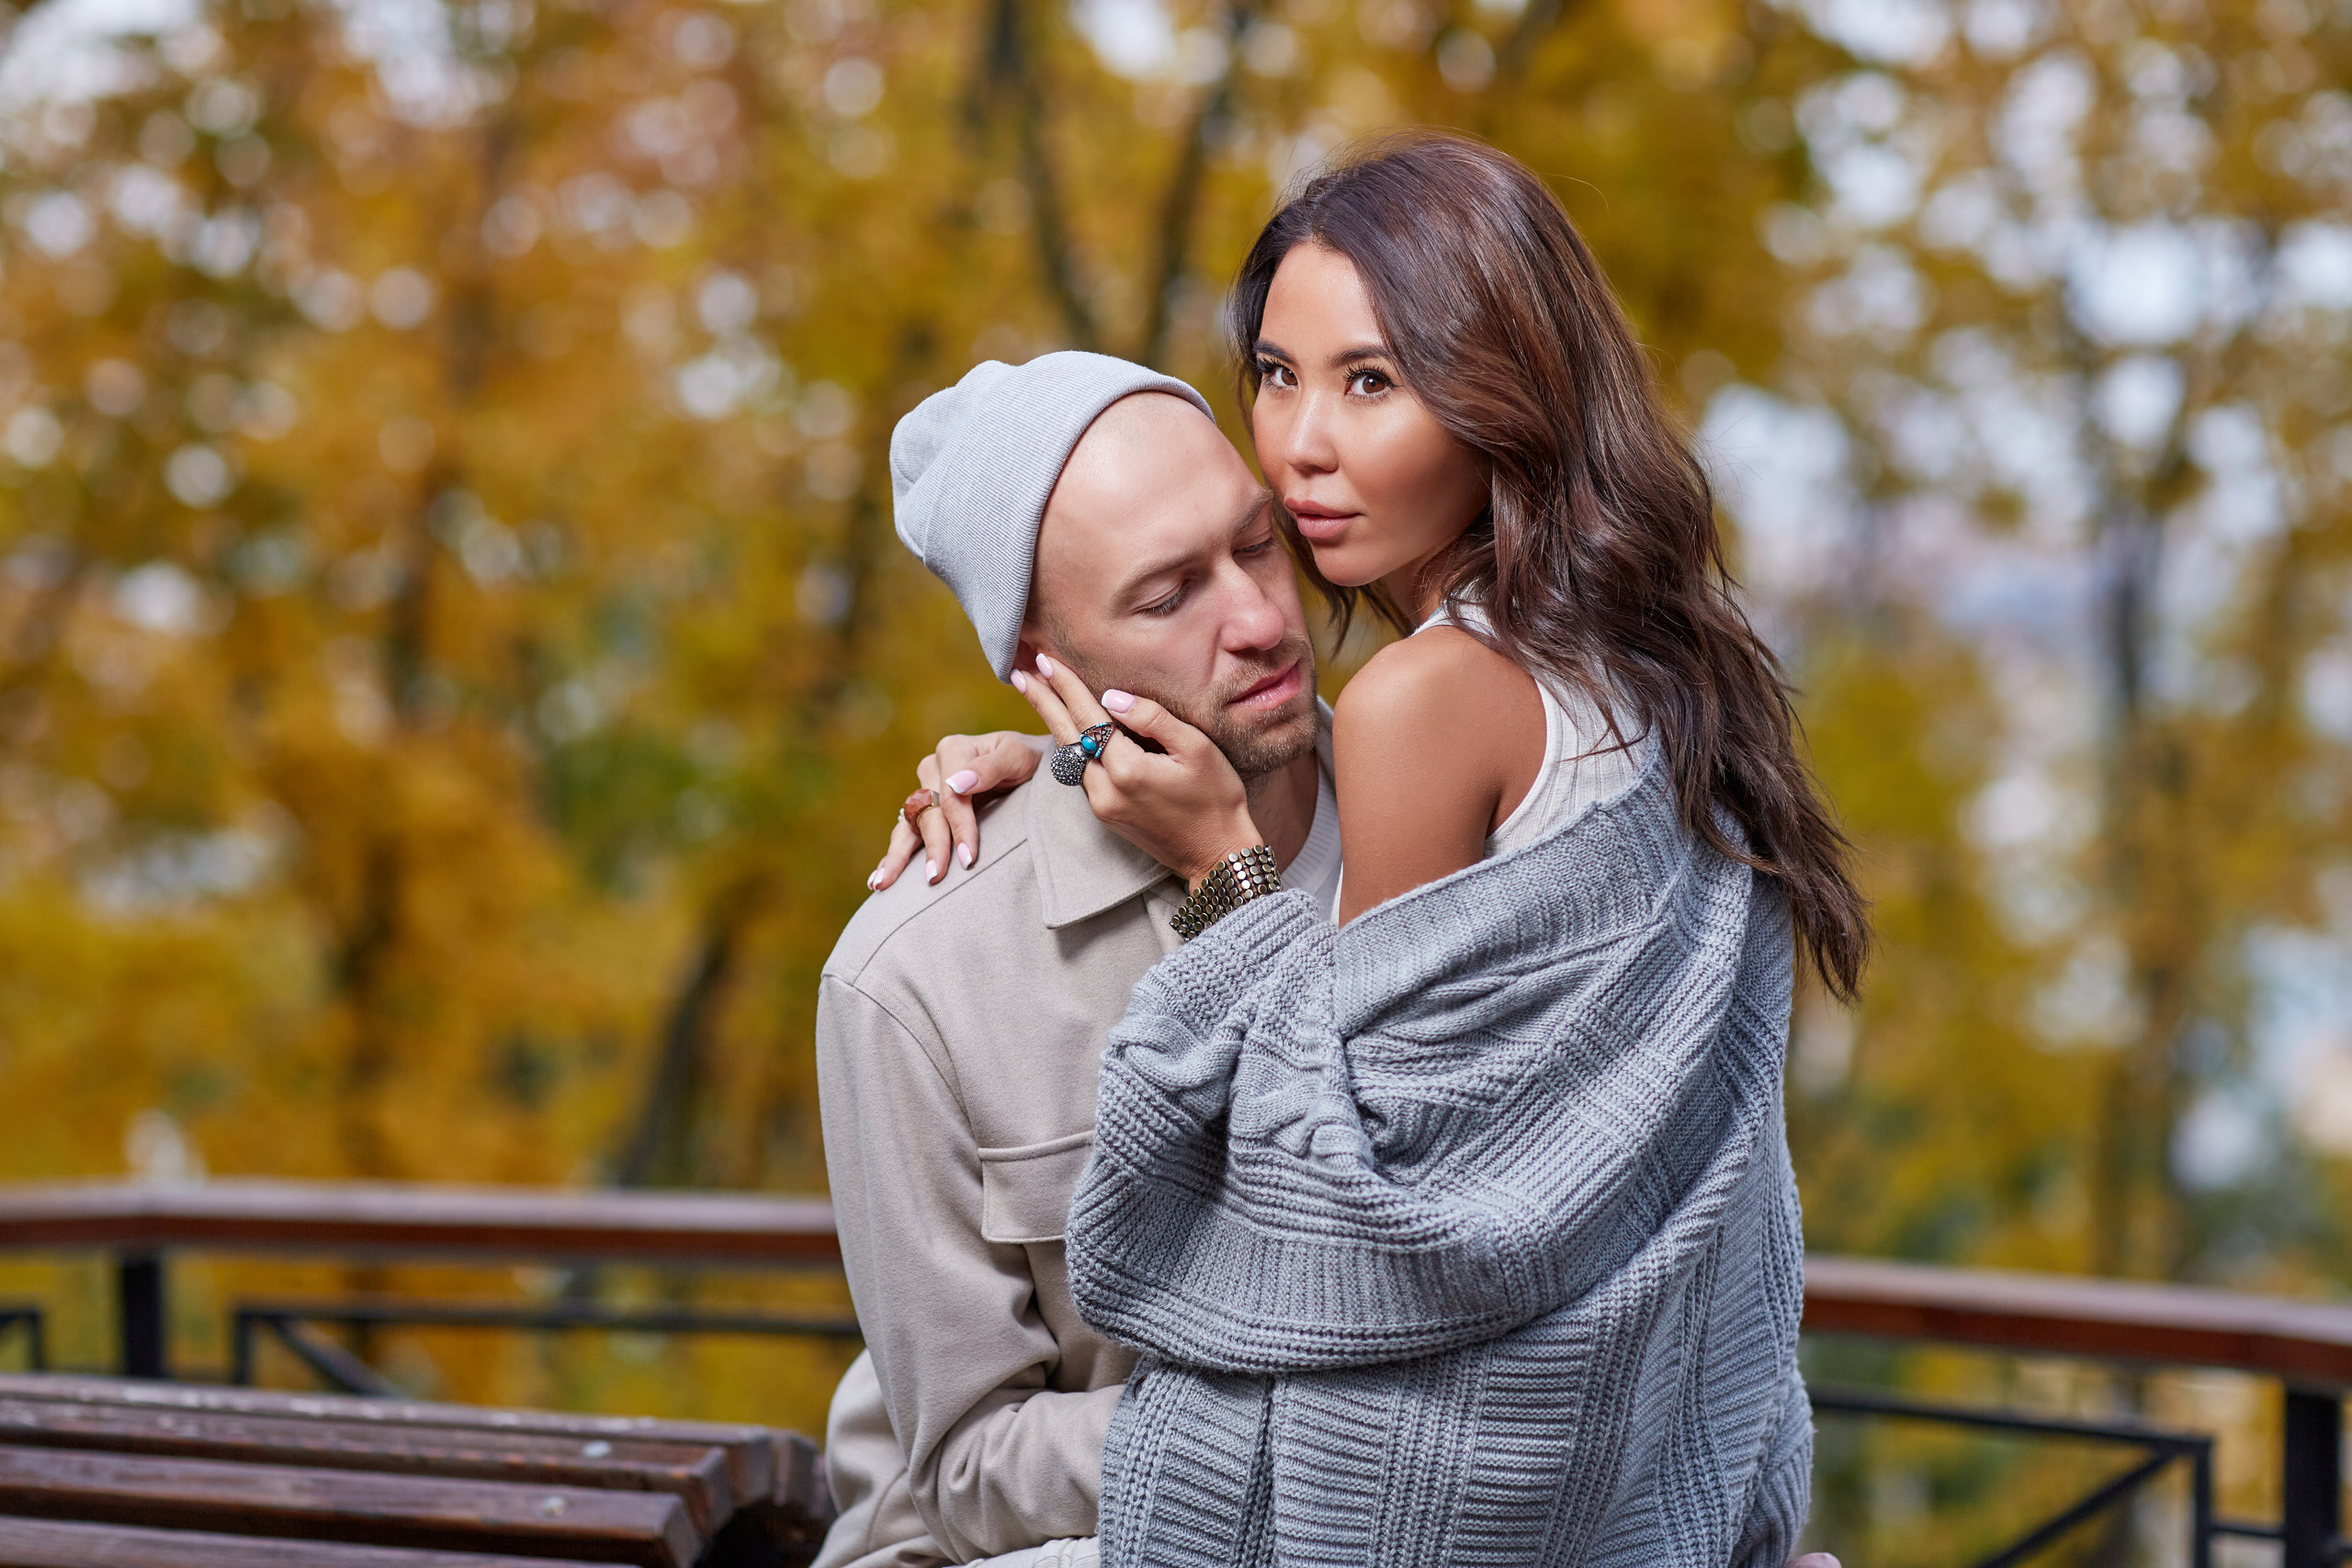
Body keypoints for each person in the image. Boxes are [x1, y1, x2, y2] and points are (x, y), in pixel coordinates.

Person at [881, 131, 1867, 1566]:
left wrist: (1223, 862)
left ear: (1501, 395)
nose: (1302, 448)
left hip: (1469, 1493)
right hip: (1659, 1463)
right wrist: (1062, 763)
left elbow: (1370, 1213)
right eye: (1278, 375)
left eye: (1372, 382)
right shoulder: (1662, 670)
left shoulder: (1422, 702)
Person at [810, 351, 1344, 1568]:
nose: (1261, 622)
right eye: (1170, 597)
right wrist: (1317, 1430)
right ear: (1040, 665)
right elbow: (963, 1471)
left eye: (1256, 547)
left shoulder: (1450, 823)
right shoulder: (914, 978)